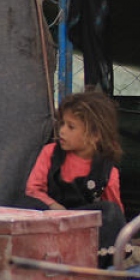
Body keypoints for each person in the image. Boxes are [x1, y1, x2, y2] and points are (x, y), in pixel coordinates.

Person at [21, 90, 127, 251]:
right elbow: (33, 190)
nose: (62, 131)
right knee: (23, 203)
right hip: (51, 219)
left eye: (71, 127)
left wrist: (126, 234)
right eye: (62, 123)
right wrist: (54, 206)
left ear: (94, 135)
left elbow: (114, 211)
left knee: (110, 211)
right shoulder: (50, 153)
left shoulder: (107, 171)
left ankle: (101, 255)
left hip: (81, 226)